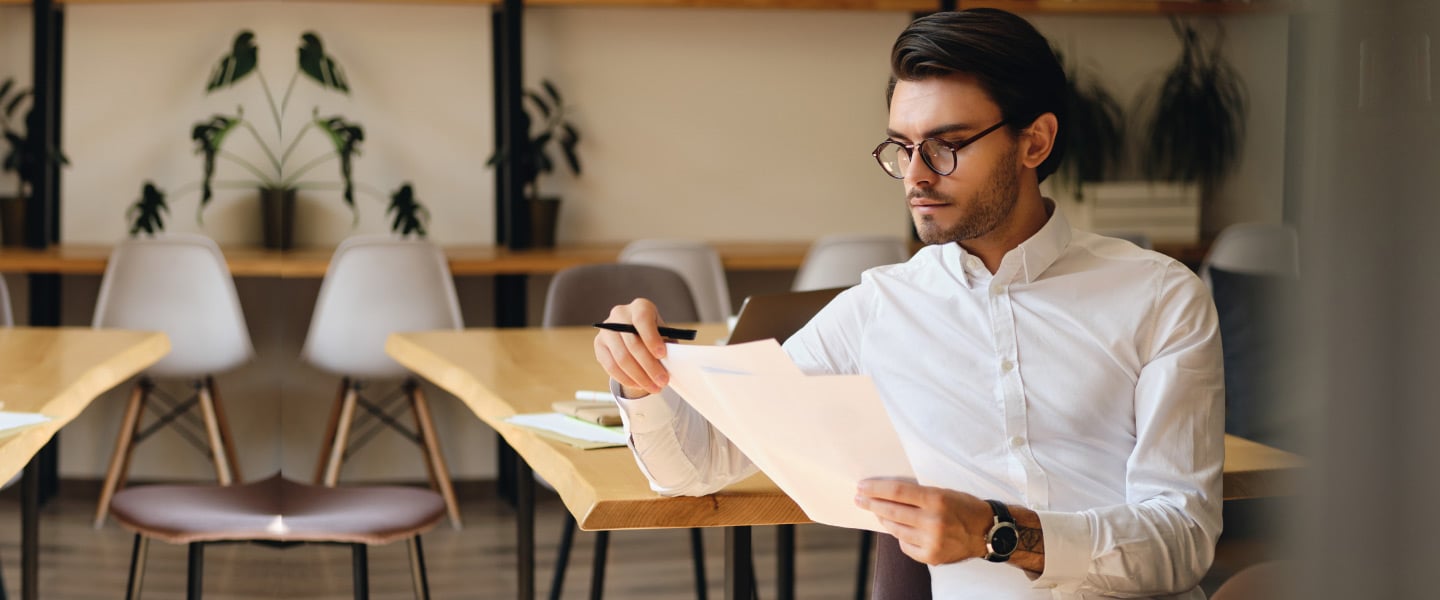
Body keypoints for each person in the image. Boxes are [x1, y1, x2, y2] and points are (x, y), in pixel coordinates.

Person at [593, 8, 1223, 599]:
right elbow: (697, 465)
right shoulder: (877, 309)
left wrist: (997, 533)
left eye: (947, 145)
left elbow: (1184, 538)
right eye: (902, 147)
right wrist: (639, 380)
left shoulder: (1162, 297)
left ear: (1035, 143)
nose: (917, 176)